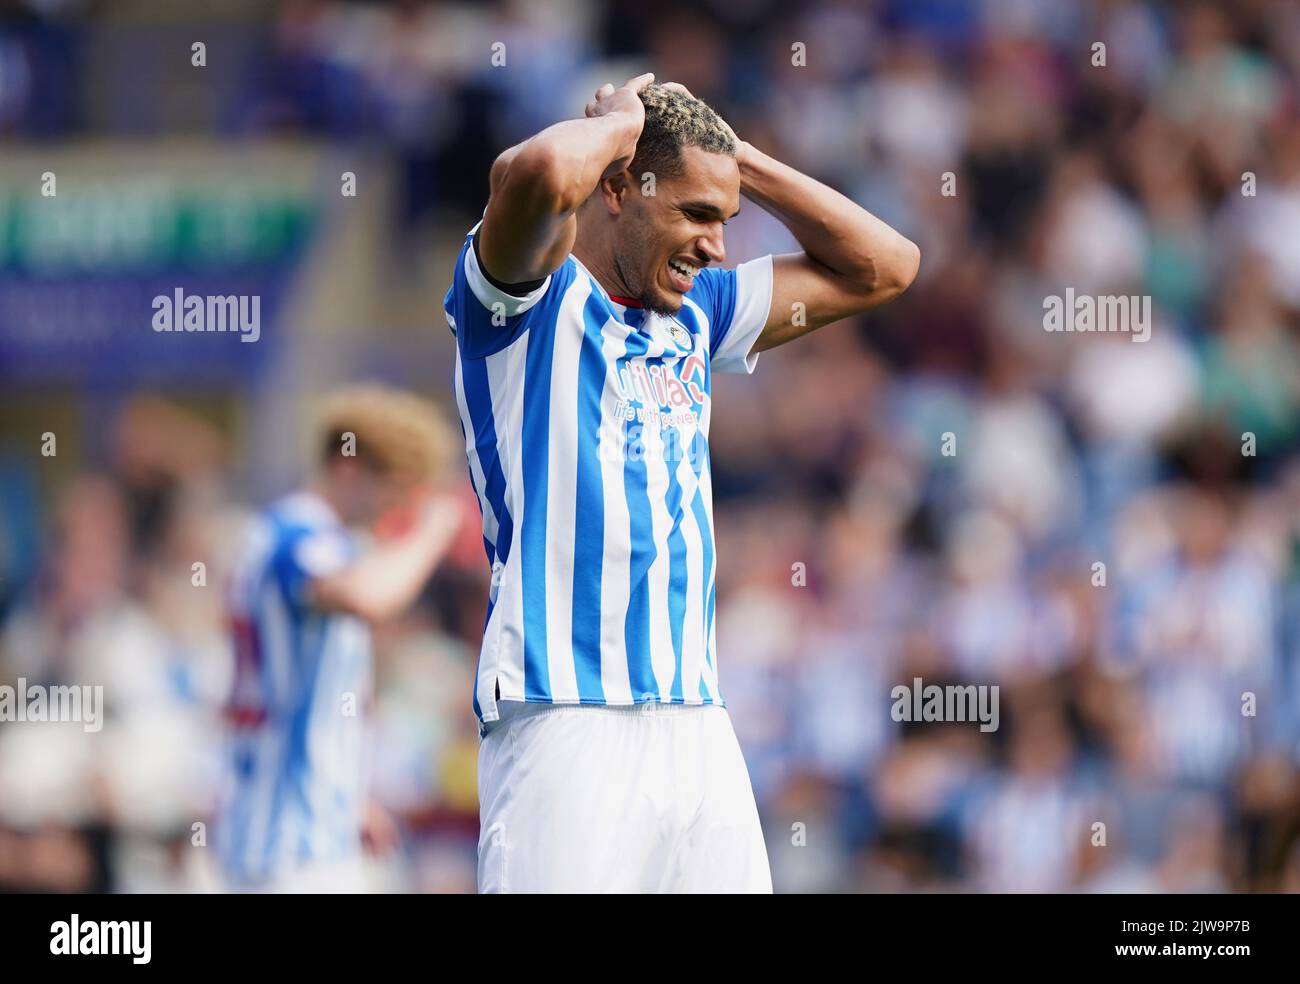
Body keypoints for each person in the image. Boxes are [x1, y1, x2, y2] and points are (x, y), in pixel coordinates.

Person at [444, 75, 920, 892]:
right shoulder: (521, 301)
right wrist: (616, 126)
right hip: (566, 720)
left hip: (698, 723)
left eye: (726, 221)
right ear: (620, 187)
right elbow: (538, 177)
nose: (717, 246)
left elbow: (887, 266)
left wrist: (739, 164)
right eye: (696, 215)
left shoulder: (697, 310)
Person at [214, 384, 461, 892]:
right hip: (285, 842)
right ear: (349, 469)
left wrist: (349, 798)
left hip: (304, 831)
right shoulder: (297, 533)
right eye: (395, 489)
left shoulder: (317, 540)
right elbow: (369, 597)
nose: (399, 509)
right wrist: (434, 530)